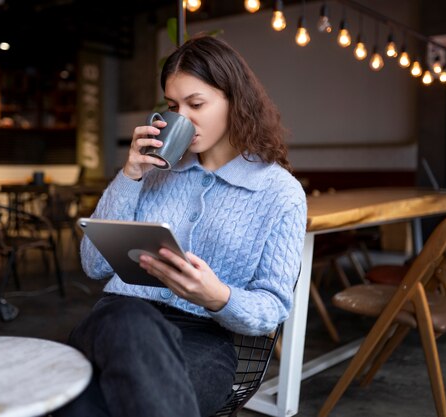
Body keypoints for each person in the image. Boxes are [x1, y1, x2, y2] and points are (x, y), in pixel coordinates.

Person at [53, 35, 307, 417]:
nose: (182, 118)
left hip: (202, 338)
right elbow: (93, 264)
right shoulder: (154, 172)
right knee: (130, 321)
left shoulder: (279, 193)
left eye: (197, 104)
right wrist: (129, 175)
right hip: (116, 321)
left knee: (88, 406)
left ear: (235, 100)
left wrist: (218, 296)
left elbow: (271, 308)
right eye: (173, 106)